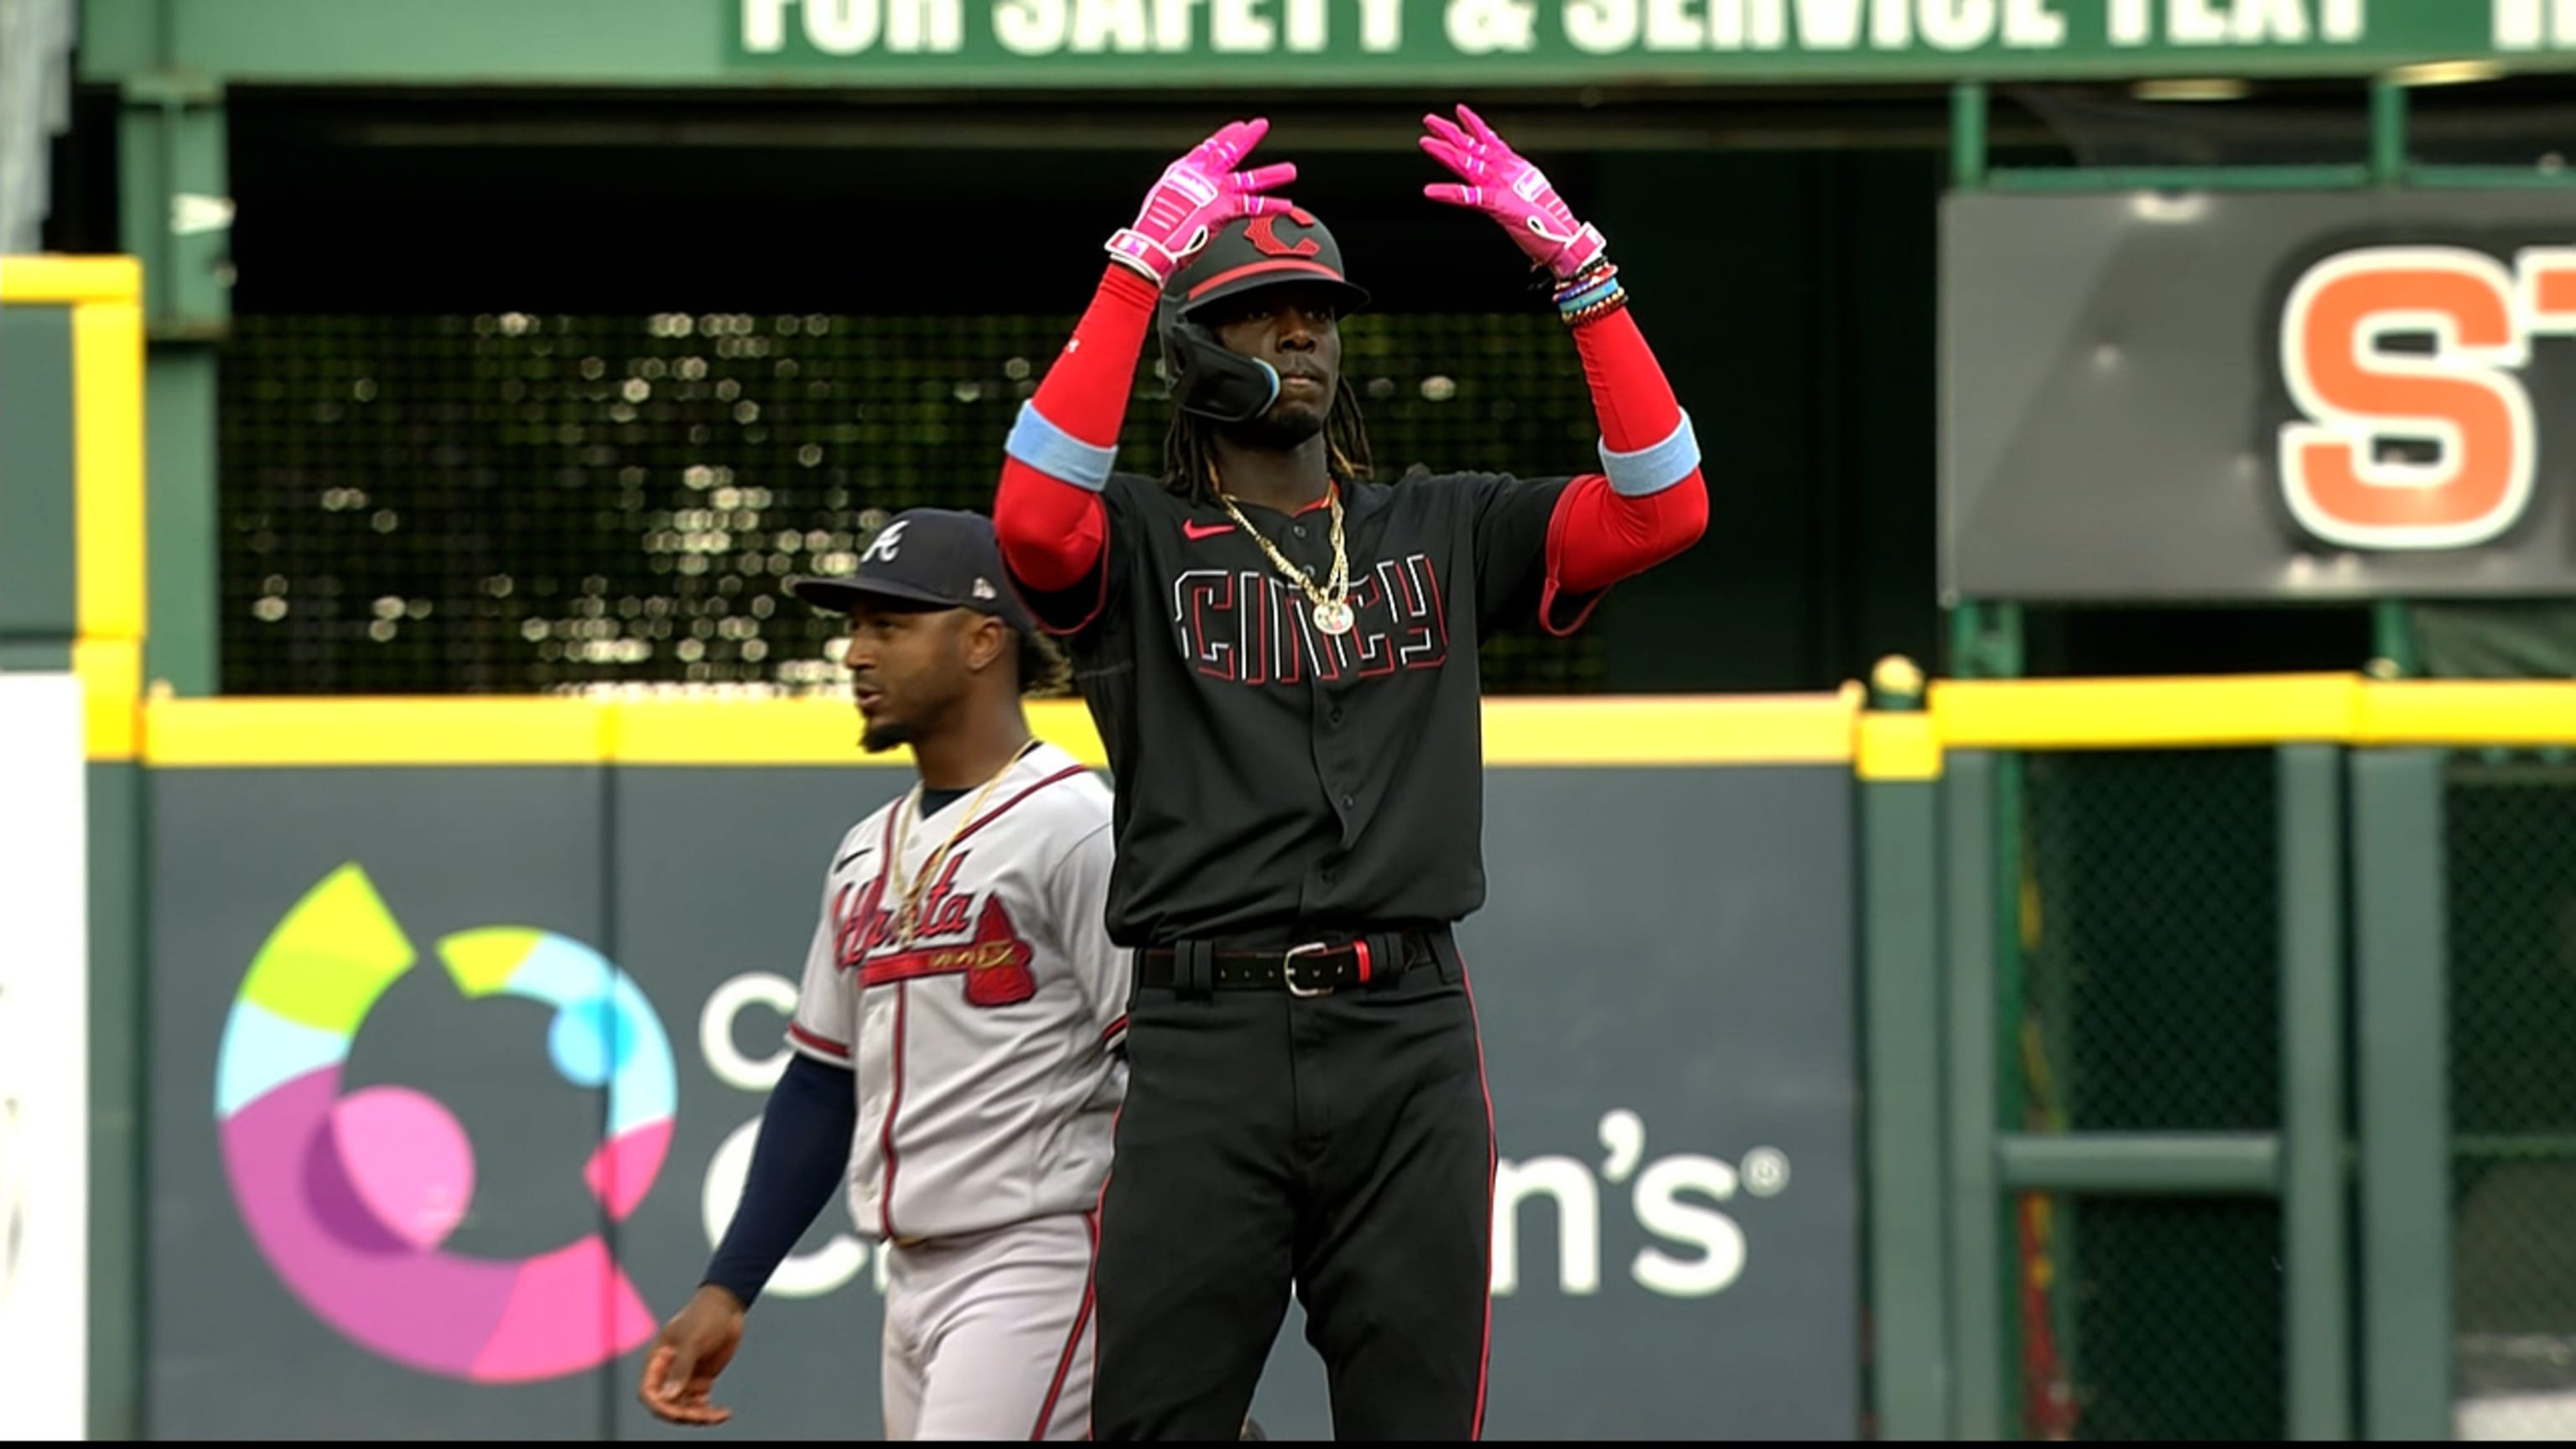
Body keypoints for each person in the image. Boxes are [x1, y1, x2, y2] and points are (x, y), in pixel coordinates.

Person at [988, 109, 1711, 1440]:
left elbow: (1663, 502)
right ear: (1198, 354)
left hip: (1409, 1034)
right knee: (1154, 1423)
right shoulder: (1142, 538)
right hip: (1209, 1044)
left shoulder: (1438, 521)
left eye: (1317, 309)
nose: (1302, 331)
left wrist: (1582, 274)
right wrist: (1136, 266)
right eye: (1262, 311)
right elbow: (1033, 520)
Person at [636, 506, 1128, 1441]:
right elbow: (825, 1083)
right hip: (908, 1280)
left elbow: (1166, 1073)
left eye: (890, 626)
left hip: (1043, 1256)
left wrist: (1184, 1312)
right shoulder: (868, 848)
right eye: (857, 626)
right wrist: (728, 1285)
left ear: (986, 639)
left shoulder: (1074, 826)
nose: (858, 653)